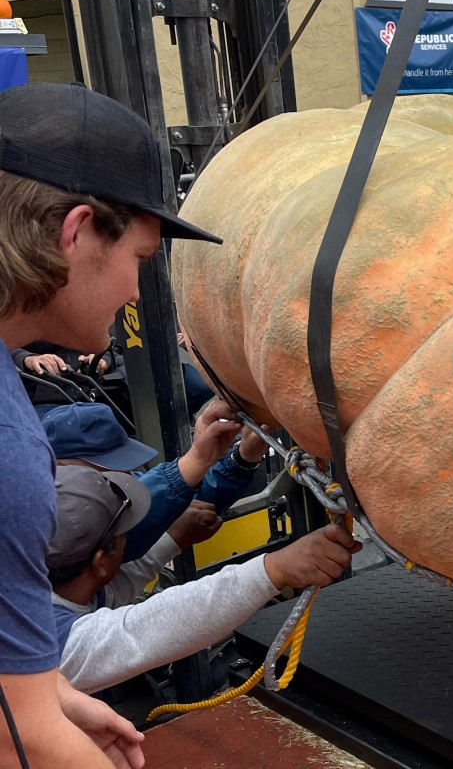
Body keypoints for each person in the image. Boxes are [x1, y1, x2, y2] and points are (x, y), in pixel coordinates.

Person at [0, 81, 221, 768]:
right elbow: (17, 737)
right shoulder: (9, 449)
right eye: (139, 262)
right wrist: (42, 715)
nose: (134, 291)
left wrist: (52, 695)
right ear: (75, 232)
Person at [46, 465, 360, 695]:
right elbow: (142, 630)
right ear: (101, 560)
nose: (136, 535)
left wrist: (171, 539)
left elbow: (106, 587)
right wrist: (274, 569)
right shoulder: (50, 644)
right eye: (130, 531)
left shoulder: (50, 581)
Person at [42, 399, 268, 562]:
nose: (125, 479)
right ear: (59, 465)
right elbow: (117, 528)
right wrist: (194, 461)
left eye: (126, 469)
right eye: (107, 471)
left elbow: (179, 503)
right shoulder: (46, 526)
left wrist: (243, 458)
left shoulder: (118, 485)